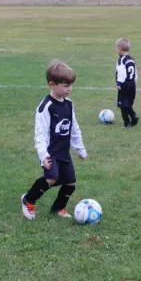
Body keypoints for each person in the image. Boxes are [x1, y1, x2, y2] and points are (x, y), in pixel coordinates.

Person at [21, 61, 88, 220]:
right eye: (65, 86)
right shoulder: (46, 107)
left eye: (71, 85)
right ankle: (28, 199)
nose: (69, 89)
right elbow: (40, 134)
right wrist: (43, 155)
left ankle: (58, 208)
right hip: (51, 153)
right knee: (51, 178)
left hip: (64, 152)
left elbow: (74, 128)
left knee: (70, 183)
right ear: (52, 84)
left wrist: (80, 148)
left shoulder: (69, 104)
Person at [115, 38, 139, 128]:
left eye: (117, 48)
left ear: (120, 48)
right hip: (132, 84)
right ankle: (133, 117)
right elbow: (135, 72)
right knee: (128, 103)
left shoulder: (121, 60)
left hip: (124, 84)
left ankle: (127, 122)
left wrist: (119, 83)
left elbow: (122, 73)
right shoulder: (131, 59)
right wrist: (134, 81)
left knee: (122, 105)